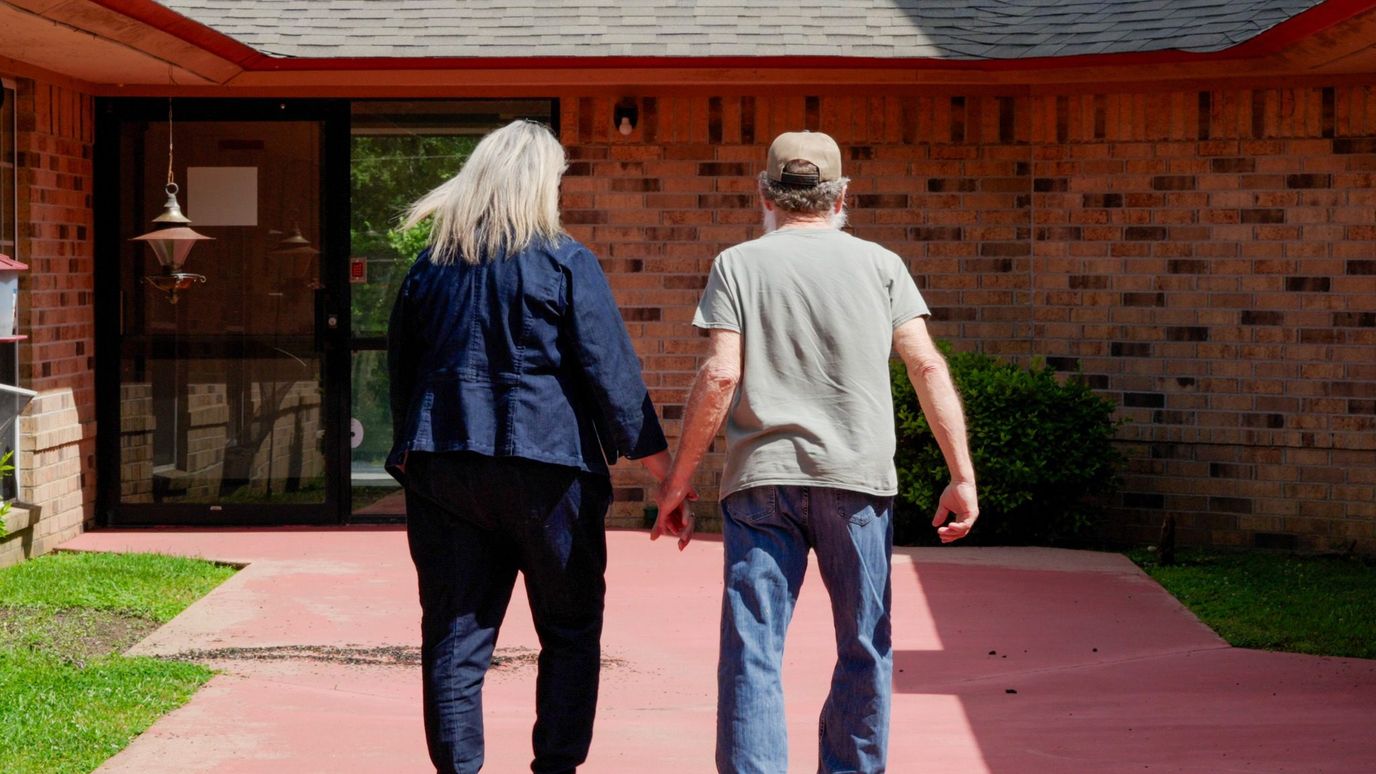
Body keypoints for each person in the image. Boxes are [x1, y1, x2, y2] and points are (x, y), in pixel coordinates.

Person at [653, 130, 980, 773]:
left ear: (765, 194)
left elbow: (721, 375)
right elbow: (926, 366)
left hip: (761, 483)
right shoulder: (881, 265)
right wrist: (961, 475)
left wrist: (678, 480)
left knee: (753, 649)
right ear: (841, 197)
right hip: (856, 480)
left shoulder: (738, 265)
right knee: (864, 643)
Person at [387, 119, 675, 774]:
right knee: (570, 630)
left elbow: (402, 372)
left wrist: (414, 454)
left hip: (446, 465)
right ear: (542, 184)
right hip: (550, 469)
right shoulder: (564, 260)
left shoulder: (428, 268)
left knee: (455, 635)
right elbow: (612, 375)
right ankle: (556, 767)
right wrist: (667, 474)